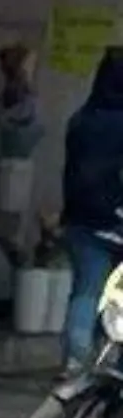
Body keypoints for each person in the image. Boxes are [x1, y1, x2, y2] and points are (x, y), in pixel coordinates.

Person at [60, 48, 123, 370]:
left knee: (86, 290)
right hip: (117, 222)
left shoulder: (81, 120)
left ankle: (76, 363)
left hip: (81, 222)